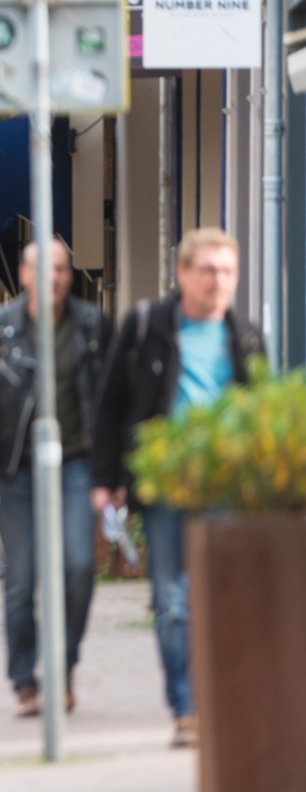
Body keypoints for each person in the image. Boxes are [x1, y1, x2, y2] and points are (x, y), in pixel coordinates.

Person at [92, 227, 259, 749]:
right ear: (182, 273)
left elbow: (259, 412)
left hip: (227, 487)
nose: (219, 281)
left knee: (225, 600)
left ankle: (220, 700)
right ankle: (186, 707)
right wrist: (107, 481)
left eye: (227, 271)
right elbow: (111, 406)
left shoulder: (245, 336)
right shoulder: (147, 327)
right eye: (208, 269)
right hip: (165, 484)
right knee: (172, 601)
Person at [0, 238, 110, 717]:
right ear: (24, 276)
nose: (55, 277)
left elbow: (109, 404)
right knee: (22, 578)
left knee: (78, 567)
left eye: (62, 268)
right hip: (17, 469)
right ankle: (25, 679)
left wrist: (112, 474)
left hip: (76, 464)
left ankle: (62, 665)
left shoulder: (91, 325)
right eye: (44, 269)